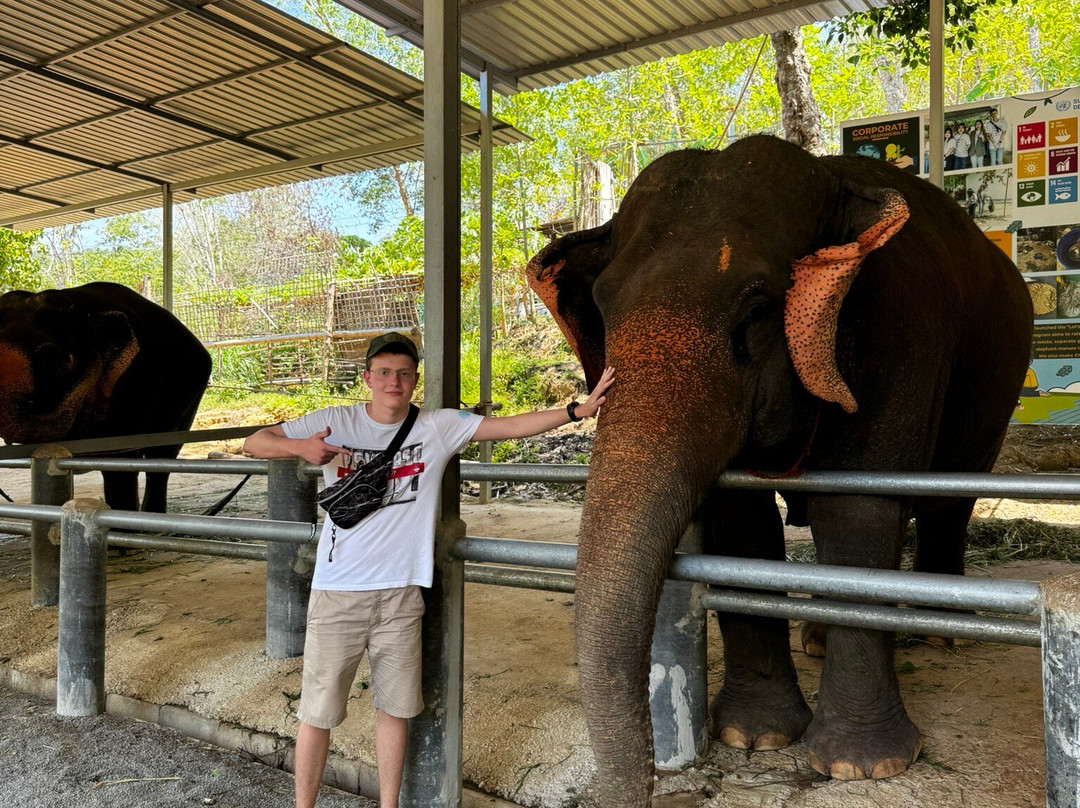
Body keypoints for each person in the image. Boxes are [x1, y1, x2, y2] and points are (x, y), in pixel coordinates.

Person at [243, 331, 614, 808]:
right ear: (367, 378)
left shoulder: (436, 427)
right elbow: (255, 441)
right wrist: (300, 450)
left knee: (395, 710)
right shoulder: (335, 421)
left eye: (402, 373)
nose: (393, 382)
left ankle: (389, 805)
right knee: (317, 712)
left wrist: (573, 413)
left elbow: (506, 427)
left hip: (401, 594)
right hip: (340, 591)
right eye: (383, 373)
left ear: (414, 379)